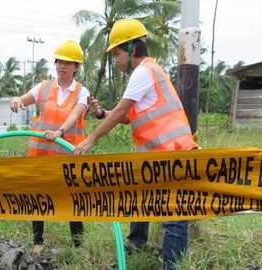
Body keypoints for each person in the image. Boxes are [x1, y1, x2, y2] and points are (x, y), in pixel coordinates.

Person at [73, 18, 198, 269]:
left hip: (171, 153)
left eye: (117, 53)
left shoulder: (143, 71)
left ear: (132, 49)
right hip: (159, 156)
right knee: (144, 199)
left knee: (173, 215)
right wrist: (101, 114)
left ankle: (171, 265)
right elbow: (128, 115)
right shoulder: (149, 70)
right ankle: (137, 245)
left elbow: (122, 112)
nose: (115, 59)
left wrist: (90, 139)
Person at [10, 40, 90, 253]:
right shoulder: (44, 87)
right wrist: (17, 100)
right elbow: (24, 99)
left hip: (67, 156)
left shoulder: (82, 92)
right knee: (39, 198)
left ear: (76, 67)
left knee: (72, 200)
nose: (61, 66)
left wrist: (60, 132)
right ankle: (37, 242)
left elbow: (75, 114)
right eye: (58, 62)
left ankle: (78, 245)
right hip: (40, 156)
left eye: (67, 62)